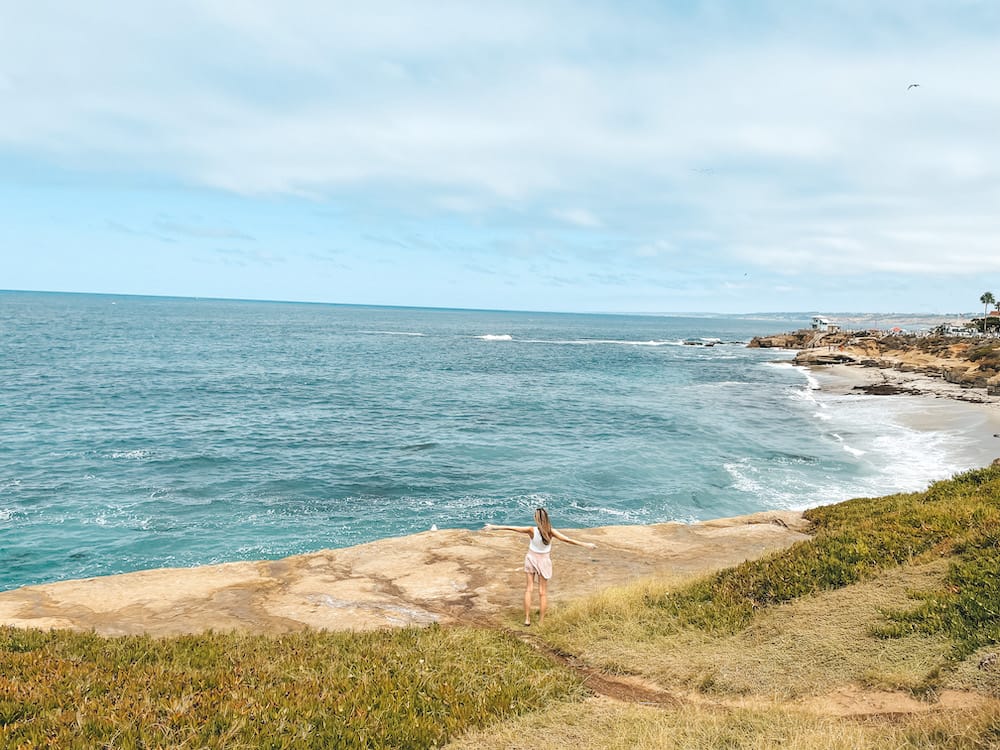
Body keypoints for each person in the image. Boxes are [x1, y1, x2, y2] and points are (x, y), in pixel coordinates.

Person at [483, 508, 597, 626]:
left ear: (536, 518)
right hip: (544, 561)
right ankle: (541, 622)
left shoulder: (531, 530)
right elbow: (567, 540)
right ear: (547, 518)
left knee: (529, 589)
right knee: (542, 592)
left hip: (531, 559)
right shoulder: (551, 531)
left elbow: (512, 527)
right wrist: (586, 544)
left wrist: (493, 526)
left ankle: (527, 619)